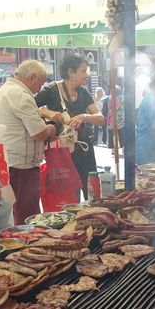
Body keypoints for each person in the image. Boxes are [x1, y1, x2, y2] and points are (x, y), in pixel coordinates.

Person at [0, 60, 58, 224]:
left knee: (17, 210)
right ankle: (26, 246)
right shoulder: (19, 94)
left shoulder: (6, 90)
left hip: (11, 162)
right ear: (32, 77)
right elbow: (39, 133)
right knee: (26, 213)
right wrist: (50, 129)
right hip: (22, 165)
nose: (40, 88)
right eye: (40, 83)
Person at [35, 53, 105, 200]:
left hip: (84, 148)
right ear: (70, 72)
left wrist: (84, 116)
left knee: (90, 192)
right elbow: (29, 108)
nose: (87, 74)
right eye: (84, 71)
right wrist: (49, 112)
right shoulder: (51, 90)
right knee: (67, 195)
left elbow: (100, 118)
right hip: (62, 152)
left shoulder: (83, 92)